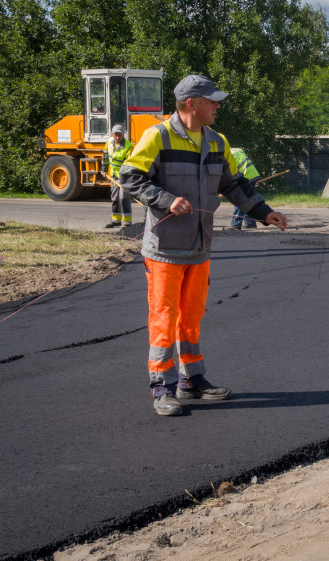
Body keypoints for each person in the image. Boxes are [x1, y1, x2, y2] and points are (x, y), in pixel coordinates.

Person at [120, 75, 288, 417]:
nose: (217, 106)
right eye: (212, 101)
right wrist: (166, 200)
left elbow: (234, 184)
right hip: (165, 250)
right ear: (191, 103)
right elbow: (130, 177)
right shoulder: (158, 136)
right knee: (164, 318)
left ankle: (191, 380)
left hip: (199, 249)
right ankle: (162, 388)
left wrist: (264, 212)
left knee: (192, 316)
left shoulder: (216, 141)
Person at [102, 124, 134, 228]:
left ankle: (127, 222)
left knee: (123, 198)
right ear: (112, 134)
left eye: (119, 135)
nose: (117, 137)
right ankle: (116, 220)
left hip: (124, 177)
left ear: (123, 135)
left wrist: (127, 182)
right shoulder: (109, 142)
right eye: (115, 135)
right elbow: (105, 157)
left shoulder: (128, 147)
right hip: (114, 175)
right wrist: (104, 170)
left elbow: (130, 166)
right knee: (115, 198)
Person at [228, 147, 260, 229]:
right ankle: (250, 223)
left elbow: (229, 173)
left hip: (245, 176)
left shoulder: (226, 154)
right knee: (247, 200)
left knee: (240, 199)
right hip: (253, 174)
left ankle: (235, 224)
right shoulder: (236, 150)